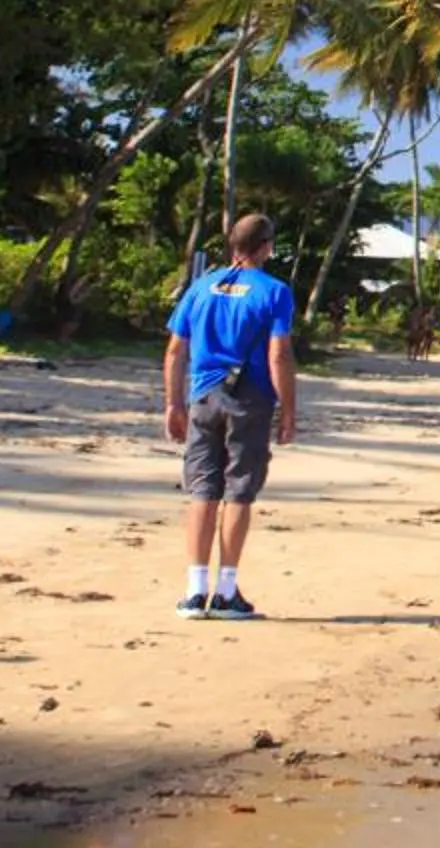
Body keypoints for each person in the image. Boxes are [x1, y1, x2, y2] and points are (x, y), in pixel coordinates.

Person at [163, 213, 298, 622]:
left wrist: (173, 403)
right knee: (239, 490)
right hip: (250, 398)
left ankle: (194, 590)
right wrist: (289, 408)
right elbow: (279, 354)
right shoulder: (275, 292)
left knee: (203, 488)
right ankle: (225, 591)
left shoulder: (201, 287)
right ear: (266, 246)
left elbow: (174, 350)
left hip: (203, 395)